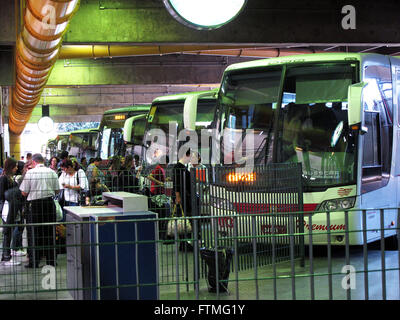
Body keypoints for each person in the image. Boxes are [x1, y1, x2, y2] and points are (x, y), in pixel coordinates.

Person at [19, 153, 60, 268]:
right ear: (43, 161)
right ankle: (51, 261)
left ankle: (34, 261)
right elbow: (57, 191)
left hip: (35, 206)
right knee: (49, 233)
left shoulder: (30, 173)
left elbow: (24, 192)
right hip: (49, 204)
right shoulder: (52, 172)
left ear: (34, 162)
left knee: (34, 233)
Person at [0, 157, 24, 266]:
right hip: (7, 209)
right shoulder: (4, 179)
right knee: (7, 232)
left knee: (9, 231)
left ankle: (7, 255)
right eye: (15, 167)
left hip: (11, 208)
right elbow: (1, 196)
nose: (16, 168)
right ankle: (6, 257)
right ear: (11, 167)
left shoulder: (9, 178)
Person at [171, 150, 193, 250]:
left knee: (184, 219)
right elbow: (176, 184)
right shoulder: (178, 168)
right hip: (182, 198)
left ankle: (185, 243)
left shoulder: (181, 167)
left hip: (185, 196)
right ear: (186, 155)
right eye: (190, 156)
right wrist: (178, 196)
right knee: (183, 220)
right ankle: (184, 243)